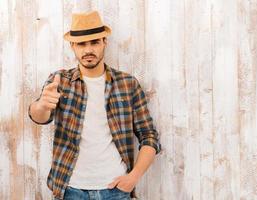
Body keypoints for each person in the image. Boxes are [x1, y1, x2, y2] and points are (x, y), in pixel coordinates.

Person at [28, 10, 161, 200]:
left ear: (104, 42)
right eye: (81, 43)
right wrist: (42, 104)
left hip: (116, 189)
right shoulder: (60, 81)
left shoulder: (127, 84)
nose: (88, 50)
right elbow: (39, 117)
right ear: (72, 45)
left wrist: (134, 177)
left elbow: (149, 136)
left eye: (94, 42)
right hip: (70, 188)